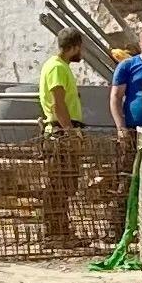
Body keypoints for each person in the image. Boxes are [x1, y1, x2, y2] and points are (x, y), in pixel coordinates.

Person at [36, 31, 90, 243]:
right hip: (60, 133)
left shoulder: (58, 66)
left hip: (63, 130)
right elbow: (59, 102)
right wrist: (69, 132)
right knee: (58, 183)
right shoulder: (57, 68)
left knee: (64, 183)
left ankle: (61, 230)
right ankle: (56, 233)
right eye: (80, 48)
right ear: (74, 47)